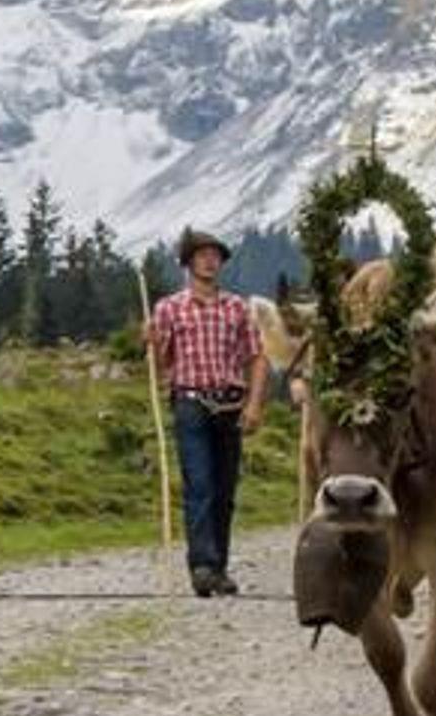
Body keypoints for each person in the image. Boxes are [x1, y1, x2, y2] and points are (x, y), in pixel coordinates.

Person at [151, 226, 268, 597]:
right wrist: (151, 346)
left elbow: (257, 357)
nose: (209, 262)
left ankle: (218, 567)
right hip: (190, 402)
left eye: (215, 256)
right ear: (189, 263)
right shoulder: (168, 308)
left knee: (224, 489)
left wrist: (254, 404)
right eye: (202, 256)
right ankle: (201, 565)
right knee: (199, 483)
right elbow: (159, 362)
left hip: (229, 403)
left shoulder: (237, 308)